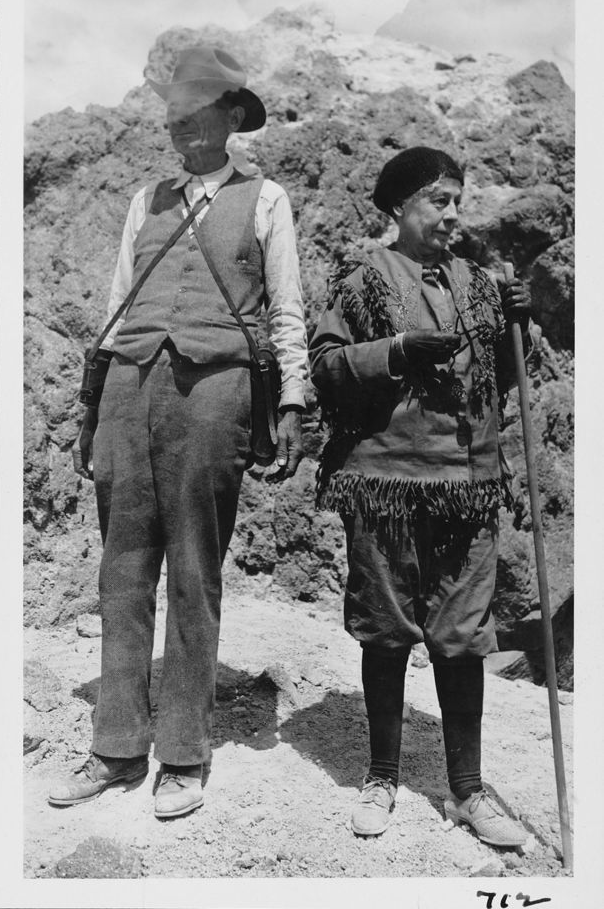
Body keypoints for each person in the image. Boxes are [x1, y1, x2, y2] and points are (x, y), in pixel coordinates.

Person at [49, 45, 308, 818]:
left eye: (196, 116)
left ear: (231, 118)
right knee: (123, 570)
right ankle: (116, 746)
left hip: (216, 392)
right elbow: (117, 306)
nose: (181, 130)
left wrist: (292, 404)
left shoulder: (266, 199)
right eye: (173, 119)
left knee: (195, 569)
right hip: (129, 386)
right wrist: (93, 408)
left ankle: (185, 754)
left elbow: (286, 311)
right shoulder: (146, 201)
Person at [309, 146, 531, 847]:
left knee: (463, 635)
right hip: (386, 483)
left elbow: (504, 378)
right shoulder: (363, 279)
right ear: (400, 207)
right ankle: (381, 777)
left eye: (458, 200)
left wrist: (519, 323)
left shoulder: (481, 283)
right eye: (439, 200)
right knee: (386, 627)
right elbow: (325, 367)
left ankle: (467, 790)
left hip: (469, 485)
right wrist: (398, 350)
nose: (453, 213)